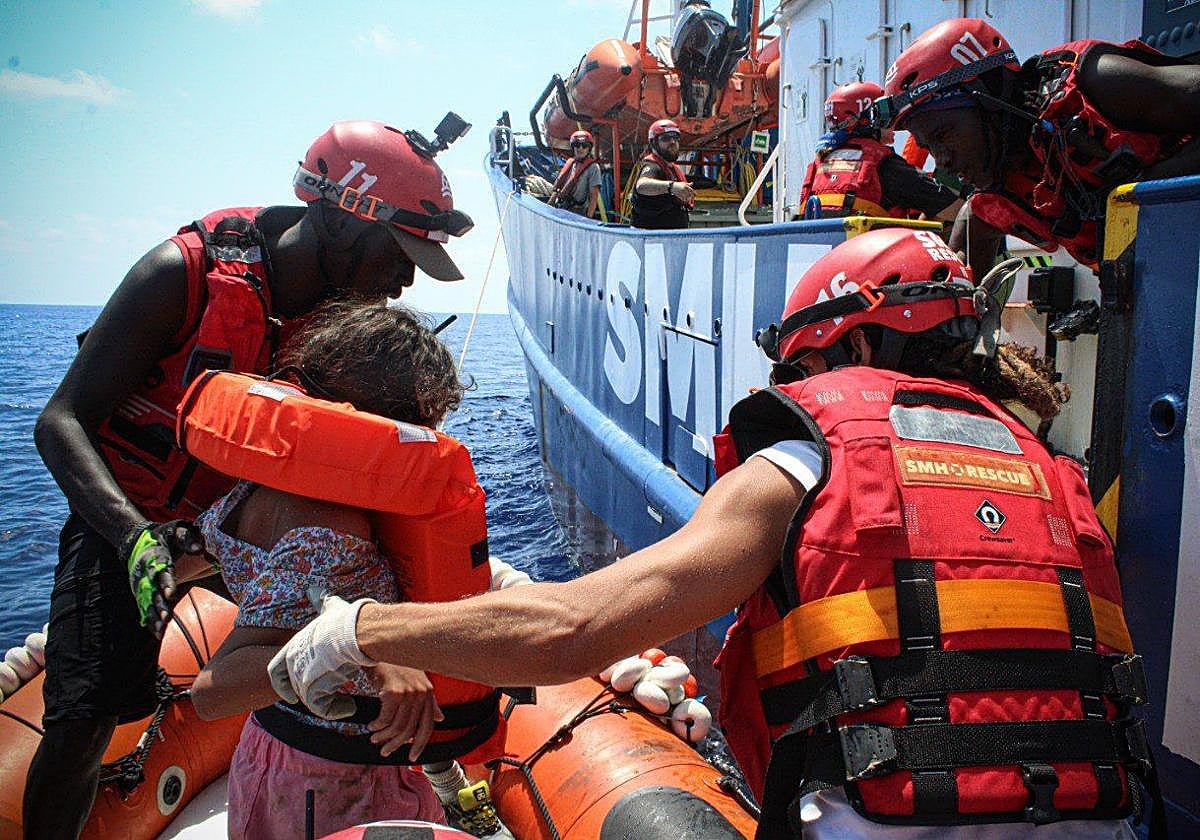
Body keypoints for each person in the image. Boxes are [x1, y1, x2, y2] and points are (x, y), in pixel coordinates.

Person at [269, 229, 1156, 839]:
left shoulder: (805, 460)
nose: (800, 389)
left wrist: (361, 629)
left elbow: (574, 629)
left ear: (853, 352)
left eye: (805, 367)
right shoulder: (1054, 472)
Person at [26, 118, 472, 839]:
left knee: (395, 610)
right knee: (84, 716)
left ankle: (433, 778)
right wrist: (136, 540)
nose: (406, 279)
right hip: (131, 517)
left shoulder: (342, 321)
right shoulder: (180, 275)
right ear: (341, 217)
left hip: (245, 524)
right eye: (398, 253)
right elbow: (60, 420)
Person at [186, 301, 510, 839]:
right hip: (342, 788)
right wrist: (365, 650)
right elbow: (212, 690)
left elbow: (244, 571)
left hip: (274, 757)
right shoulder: (329, 530)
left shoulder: (260, 485)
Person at [874, 18, 1200, 278]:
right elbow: (975, 218)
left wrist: (1142, 193)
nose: (942, 161)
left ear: (990, 100)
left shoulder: (1096, 87)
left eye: (944, 135)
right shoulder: (1001, 185)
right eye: (929, 146)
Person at [800, 81, 963, 223]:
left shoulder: (820, 163)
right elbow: (954, 209)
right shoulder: (885, 165)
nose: (894, 121)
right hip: (873, 247)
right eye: (887, 112)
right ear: (869, 118)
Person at [631, 118, 696, 229]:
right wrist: (672, 187)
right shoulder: (652, 166)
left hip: (672, 236)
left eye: (675, 138)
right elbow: (641, 185)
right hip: (652, 236)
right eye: (666, 138)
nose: (673, 142)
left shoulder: (673, 169)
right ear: (653, 143)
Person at [548, 129, 603, 218]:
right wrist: (549, 207)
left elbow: (594, 196)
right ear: (573, 147)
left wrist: (588, 219)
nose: (580, 148)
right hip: (561, 208)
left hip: (578, 212)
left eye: (584, 146)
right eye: (577, 145)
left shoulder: (593, 168)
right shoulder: (570, 164)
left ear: (589, 149)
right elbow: (558, 188)